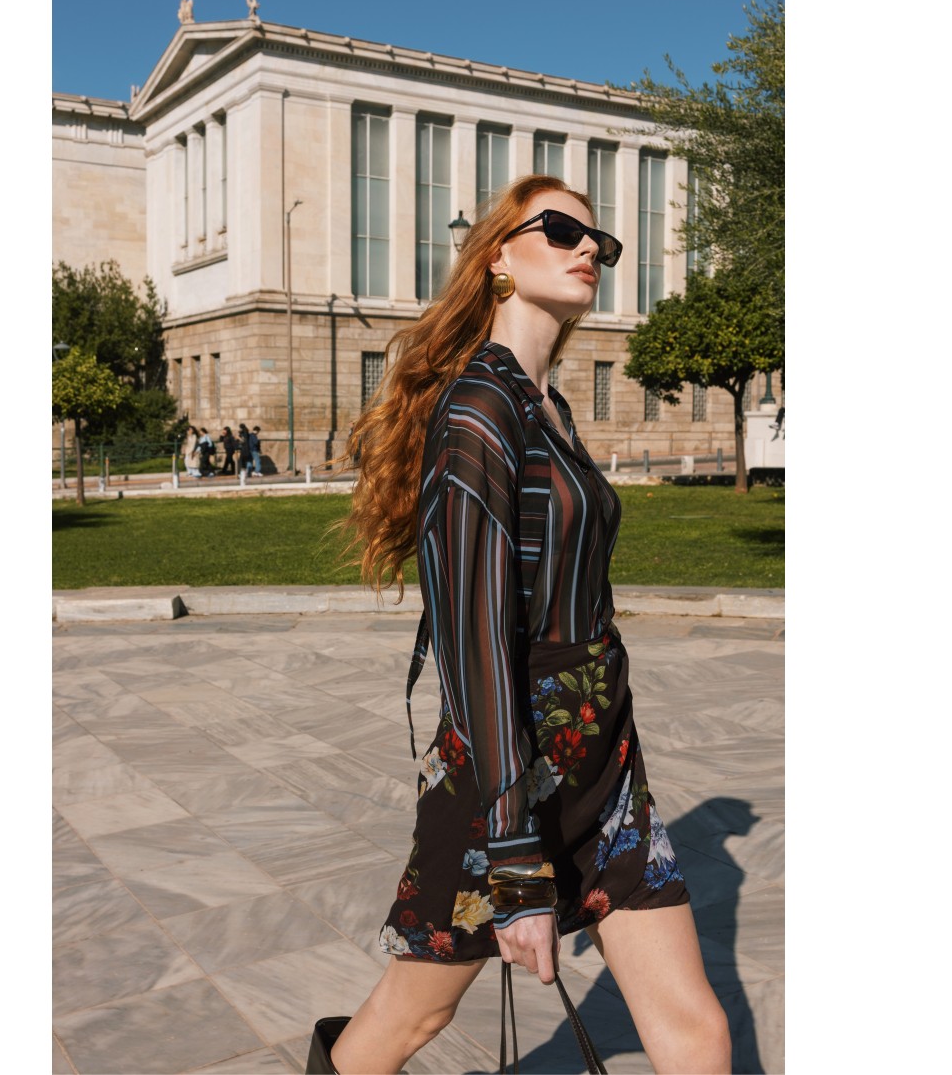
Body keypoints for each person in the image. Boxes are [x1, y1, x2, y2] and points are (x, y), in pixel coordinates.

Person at [313, 176, 730, 1074]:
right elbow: (472, 639)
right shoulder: (479, 407)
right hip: (503, 769)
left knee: (696, 1030)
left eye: (600, 242)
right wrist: (512, 854)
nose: (590, 250)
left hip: (602, 764)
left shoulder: (550, 406)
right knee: (411, 1018)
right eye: (562, 230)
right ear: (499, 252)